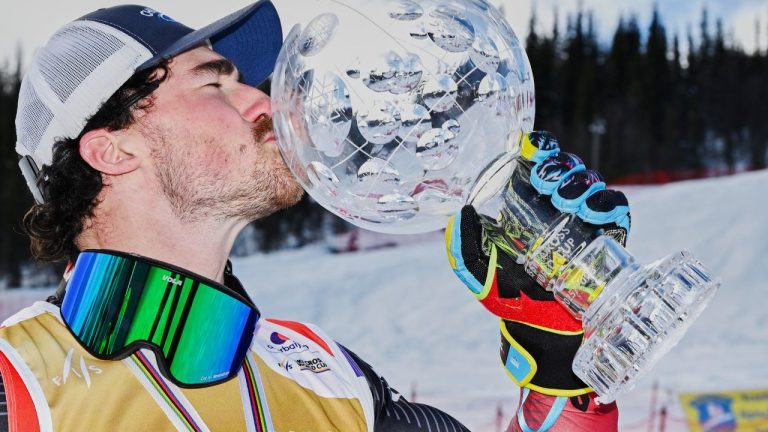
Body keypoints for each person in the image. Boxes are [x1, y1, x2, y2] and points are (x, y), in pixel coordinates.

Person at [1, 1, 630, 430]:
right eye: (215, 84)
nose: (263, 100)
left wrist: (558, 367)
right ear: (111, 149)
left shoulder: (325, 373)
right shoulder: (16, 380)